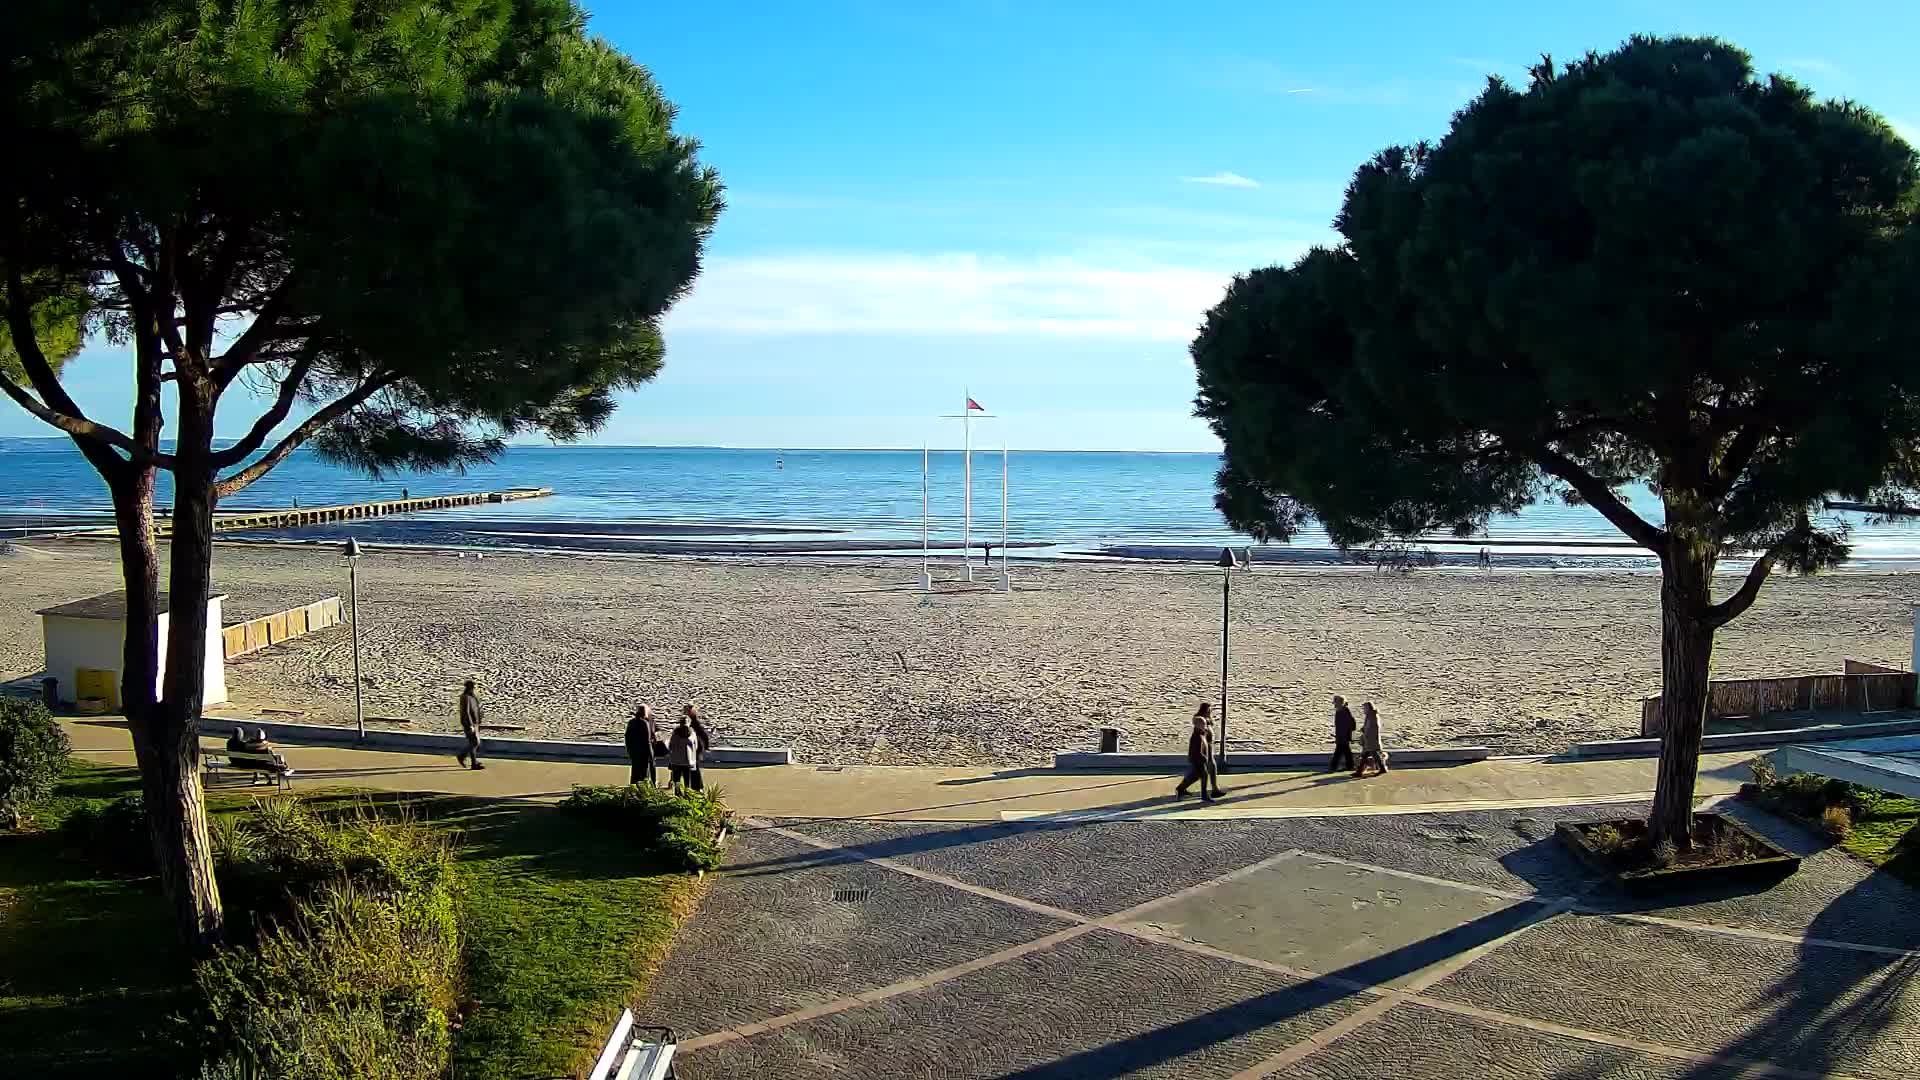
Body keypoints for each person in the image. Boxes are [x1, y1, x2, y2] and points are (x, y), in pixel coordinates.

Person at [1174, 703, 1223, 801]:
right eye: (1203, 725)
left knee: (1196, 775)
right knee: (1202, 775)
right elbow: (1196, 747)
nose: (1205, 727)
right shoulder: (1198, 734)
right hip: (1198, 756)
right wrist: (1202, 756)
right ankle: (1204, 796)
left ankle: (1181, 789)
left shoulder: (1202, 733)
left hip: (1201, 755)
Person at [625, 704, 660, 787]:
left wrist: (629, 751)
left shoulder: (631, 722)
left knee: (635, 773)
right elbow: (647, 741)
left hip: (635, 752)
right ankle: (646, 791)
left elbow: (627, 738)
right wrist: (651, 755)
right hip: (644, 753)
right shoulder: (645, 723)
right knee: (645, 774)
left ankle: (634, 791)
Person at [667, 713, 703, 791]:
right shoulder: (692, 733)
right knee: (688, 783)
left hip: (676, 761)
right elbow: (696, 746)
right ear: (689, 723)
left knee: (677, 782)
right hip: (688, 761)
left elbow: (670, 746)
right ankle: (687, 797)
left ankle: (677, 796)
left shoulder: (675, 733)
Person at [1355, 701, 1389, 778]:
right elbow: (1368, 727)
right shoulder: (1370, 716)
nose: (1363, 710)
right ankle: (1359, 771)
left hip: (1371, 740)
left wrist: (1365, 734)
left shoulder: (1372, 716)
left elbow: (1373, 729)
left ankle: (1360, 771)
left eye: (1365, 708)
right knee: (1368, 756)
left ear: (1369, 708)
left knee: (1370, 755)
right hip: (1369, 740)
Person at [457, 680, 486, 770]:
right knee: (474, 743)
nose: (474, 689)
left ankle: (469, 759)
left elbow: (476, 708)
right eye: (473, 687)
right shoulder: (465, 697)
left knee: (475, 743)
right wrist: (470, 725)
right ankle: (468, 759)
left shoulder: (471, 696)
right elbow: (466, 712)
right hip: (470, 724)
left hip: (475, 722)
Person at [1329, 696, 1357, 773]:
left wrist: (1345, 734)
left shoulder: (1343, 711)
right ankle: (1349, 766)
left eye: (1335, 702)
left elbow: (1350, 724)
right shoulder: (1341, 711)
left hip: (1343, 735)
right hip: (1342, 735)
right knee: (1344, 751)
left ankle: (1334, 766)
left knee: (1340, 751)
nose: (1334, 704)